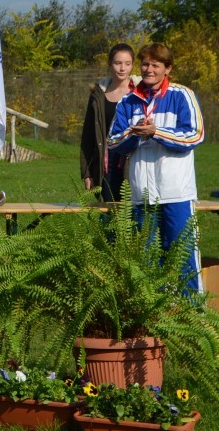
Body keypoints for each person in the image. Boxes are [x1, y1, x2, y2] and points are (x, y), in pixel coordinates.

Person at [108, 43, 205, 292]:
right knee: (146, 262)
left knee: (183, 259)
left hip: (176, 193)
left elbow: (194, 136)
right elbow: (113, 141)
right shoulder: (128, 101)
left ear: (167, 68)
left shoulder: (182, 95)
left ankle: (191, 320)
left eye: (155, 65)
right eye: (145, 64)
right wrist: (135, 134)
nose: (148, 69)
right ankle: (150, 324)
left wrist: (156, 132)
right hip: (141, 195)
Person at [80, 43, 139, 201]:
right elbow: (88, 136)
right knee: (108, 214)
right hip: (106, 164)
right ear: (110, 64)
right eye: (118, 63)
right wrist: (86, 172)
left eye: (127, 64)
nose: (122, 68)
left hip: (135, 161)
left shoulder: (141, 92)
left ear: (132, 65)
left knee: (134, 215)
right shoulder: (97, 94)